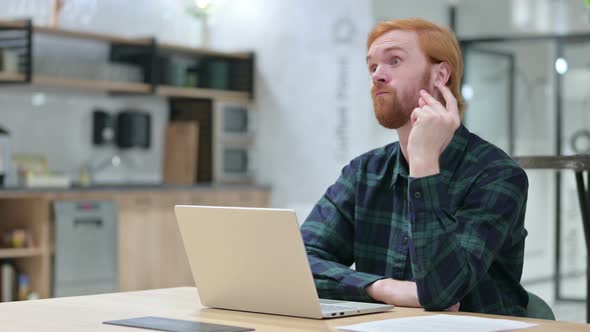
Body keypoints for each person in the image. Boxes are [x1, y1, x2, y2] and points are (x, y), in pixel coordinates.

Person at [300, 18, 529, 316]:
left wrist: (423, 163)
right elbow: (298, 261)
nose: (377, 75)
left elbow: (442, 291)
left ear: (440, 75)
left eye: (394, 61)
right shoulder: (364, 172)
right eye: (372, 66)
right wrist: (384, 287)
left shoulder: (496, 175)